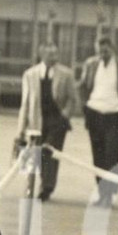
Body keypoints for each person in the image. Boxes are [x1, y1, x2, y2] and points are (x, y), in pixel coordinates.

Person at [77, 36, 118, 207]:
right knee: (98, 157)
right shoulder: (90, 64)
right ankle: (102, 193)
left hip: (115, 115)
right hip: (95, 113)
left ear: (112, 49)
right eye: (100, 51)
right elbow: (83, 86)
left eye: (105, 51)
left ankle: (110, 195)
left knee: (112, 155)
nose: (102, 54)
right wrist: (85, 105)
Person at [14, 41, 79, 201]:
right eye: (50, 54)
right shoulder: (30, 74)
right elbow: (25, 103)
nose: (54, 57)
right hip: (35, 120)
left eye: (56, 54)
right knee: (32, 154)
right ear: (41, 55)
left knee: (50, 154)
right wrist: (21, 129)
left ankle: (46, 188)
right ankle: (29, 186)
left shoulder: (67, 74)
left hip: (57, 121)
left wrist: (65, 116)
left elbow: (73, 99)